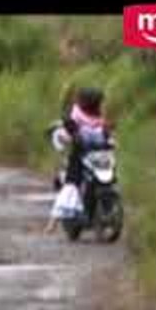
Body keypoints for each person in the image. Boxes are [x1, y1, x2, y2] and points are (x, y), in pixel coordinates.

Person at [45, 87, 111, 233]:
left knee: (108, 177)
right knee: (72, 185)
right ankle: (53, 223)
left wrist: (110, 138)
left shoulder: (99, 117)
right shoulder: (75, 115)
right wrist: (72, 136)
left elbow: (105, 132)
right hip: (79, 154)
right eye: (98, 102)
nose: (100, 105)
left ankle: (99, 212)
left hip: (98, 154)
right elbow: (69, 129)